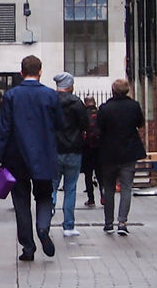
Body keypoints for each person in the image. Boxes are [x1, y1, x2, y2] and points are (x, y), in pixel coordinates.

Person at [0, 54, 62, 261]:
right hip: (44, 156)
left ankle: (28, 247)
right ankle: (42, 227)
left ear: (21, 73)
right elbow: (59, 126)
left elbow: (4, 129)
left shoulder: (11, 96)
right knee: (44, 196)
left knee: (21, 202)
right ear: (40, 71)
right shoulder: (51, 96)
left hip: (16, 157)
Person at [96, 79, 145, 236]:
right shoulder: (134, 106)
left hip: (109, 153)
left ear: (113, 90)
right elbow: (140, 123)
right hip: (129, 152)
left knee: (108, 188)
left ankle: (108, 222)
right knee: (126, 188)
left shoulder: (104, 108)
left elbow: (98, 129)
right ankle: (122, 222)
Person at [52, 72, 87, 237]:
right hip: (73, 149)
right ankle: (68, 225)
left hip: (54, 150)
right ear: (70, 86)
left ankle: (46, 217)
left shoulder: (50, 102)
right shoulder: (77, 103)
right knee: (70, 188)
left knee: (51, 186)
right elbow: (85, 124)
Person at [81, 96, 100, 207]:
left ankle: (91, 199)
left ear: (85, 103)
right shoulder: (100, 113)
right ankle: (103, 196)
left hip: (87, 148)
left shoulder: (83, 114)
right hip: (99, 148)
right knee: (100, 175)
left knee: (88, 175)